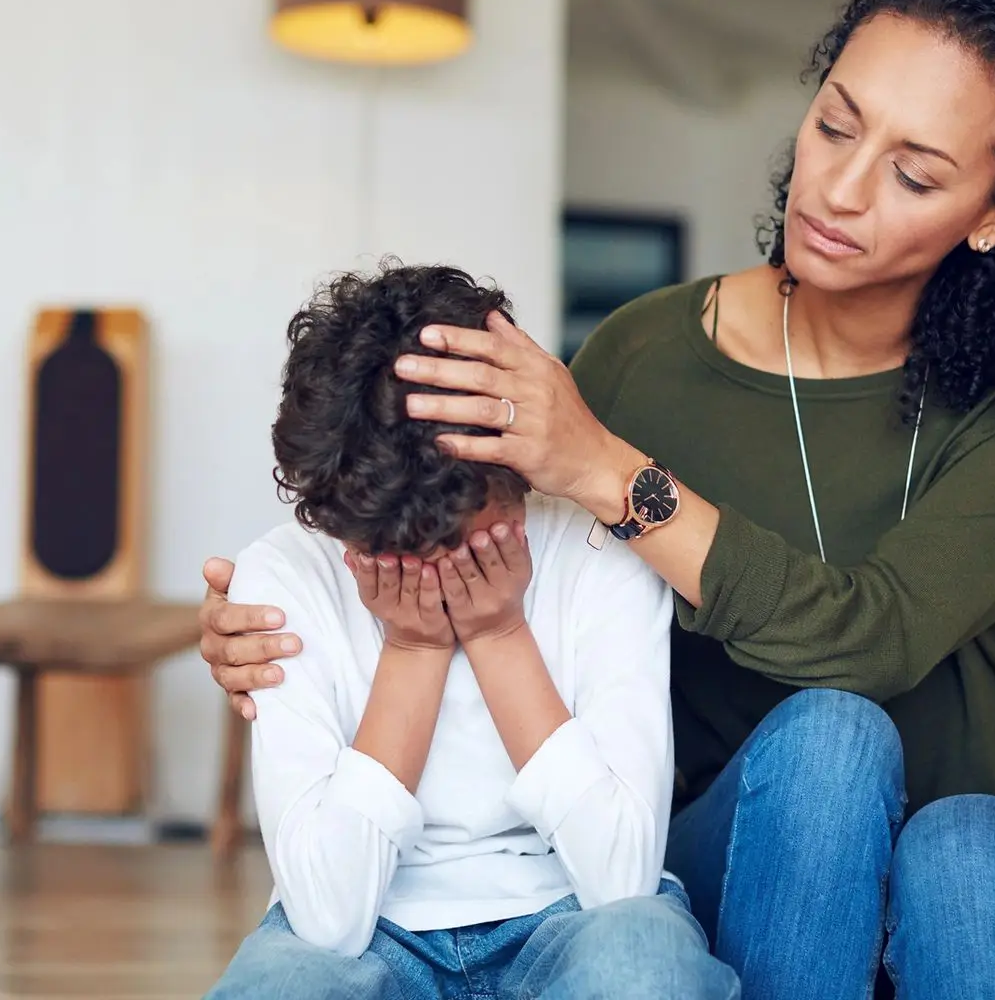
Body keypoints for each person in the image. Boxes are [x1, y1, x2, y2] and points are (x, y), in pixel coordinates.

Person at [202, 0, 995, 999]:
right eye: (835, 123)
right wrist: (287, 607)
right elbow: (466, 536)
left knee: (958, 845)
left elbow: (874, 637)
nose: (837, 189)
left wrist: (609, 468)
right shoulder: (644, 354)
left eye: (914, 172)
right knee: (821, 752)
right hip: (751, 848)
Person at [205, 264, 738, 1000]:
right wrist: (412, 649)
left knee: (643, 960)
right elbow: (329, 921)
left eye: (466, 540)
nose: (434, 572)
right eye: (398, 554)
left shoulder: (601, 549)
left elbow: (621, 881)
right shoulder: (285, 575)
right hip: (374, 940)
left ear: (513, 466)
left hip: (569, 921)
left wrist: (498, 634)